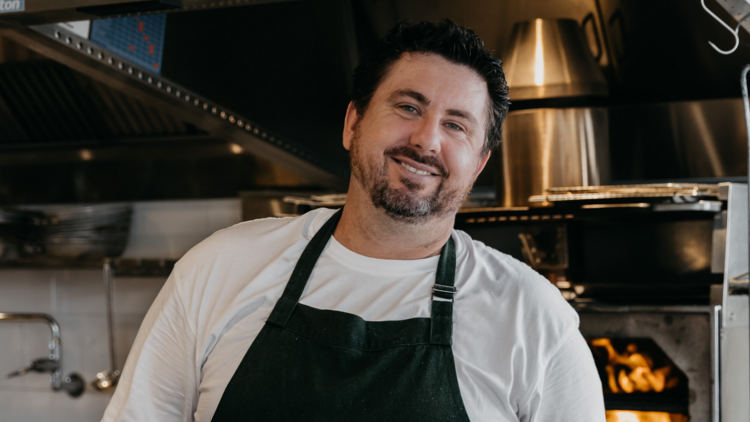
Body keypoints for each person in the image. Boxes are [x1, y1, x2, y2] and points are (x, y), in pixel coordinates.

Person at [103, 19, 605, 422]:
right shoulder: (219, 267)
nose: (427, 140)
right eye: (409, 107)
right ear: (353, 123)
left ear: (477, 164)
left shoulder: (531, 316)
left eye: (455, 124)